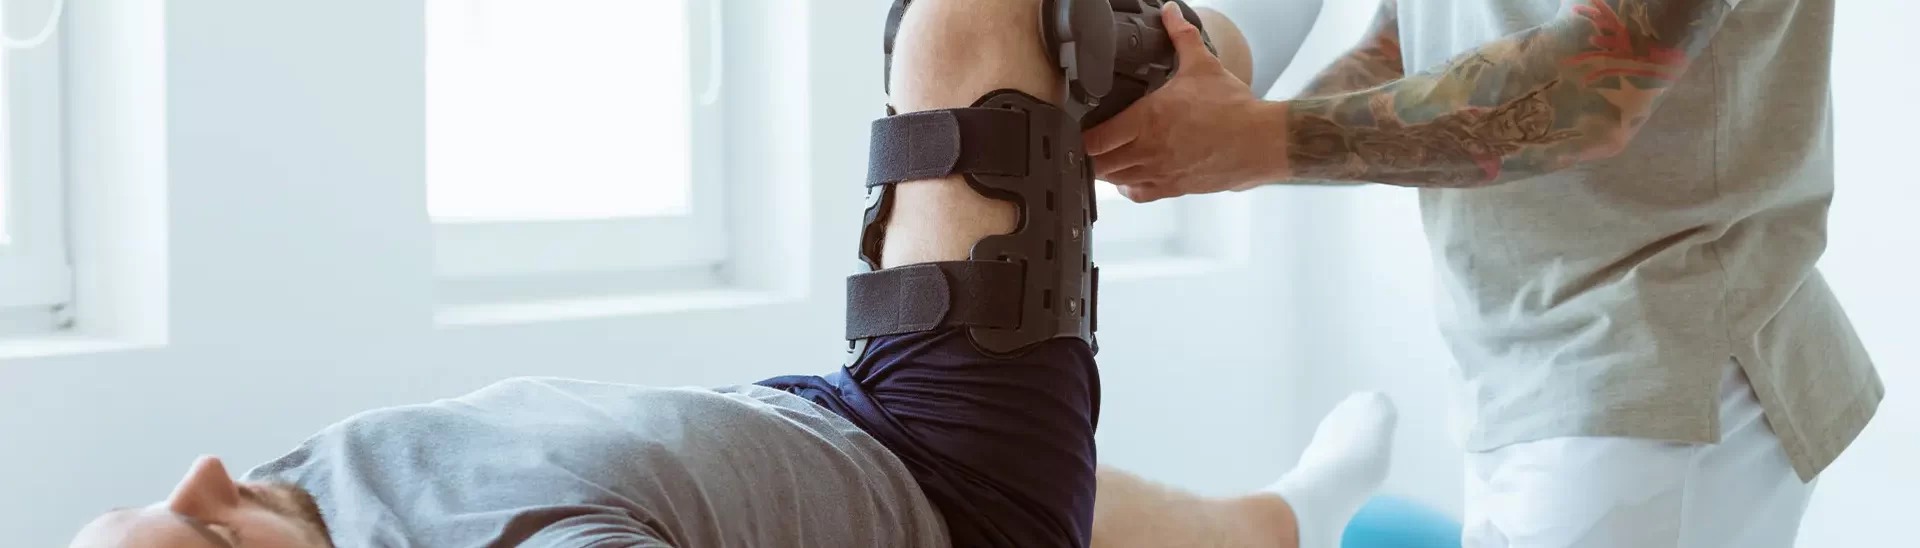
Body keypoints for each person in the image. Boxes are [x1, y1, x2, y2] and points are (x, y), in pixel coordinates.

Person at [68, 2, 1395, 547]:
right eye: (204, 535)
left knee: (1122, 512)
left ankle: (1289, 517)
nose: (200, 482)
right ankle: (1229, 70)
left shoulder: (293, 488)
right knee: (976, 24)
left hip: (817, 428)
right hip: (940, 454)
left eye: (164, 511)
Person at [1095, 0, 1883, 545]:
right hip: (1525, 374)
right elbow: (1411, 44)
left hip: (1662, 375)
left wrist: (1255, 141)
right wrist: (1220, 143)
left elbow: (1598, 80)